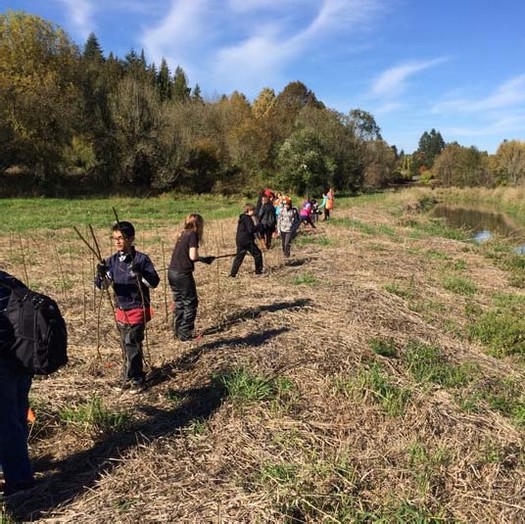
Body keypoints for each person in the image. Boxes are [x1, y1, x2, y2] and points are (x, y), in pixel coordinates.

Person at [95, 221, 160, 393]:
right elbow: (103, 286)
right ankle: (132, 374)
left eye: (121, 238)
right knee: (126, 345)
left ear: (131, 239)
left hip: (138, 307)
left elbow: (154, 283)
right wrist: (101, 274)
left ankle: (134, 378)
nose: (117, 242)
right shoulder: (112, 261)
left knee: (132, 343)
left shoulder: (141, 259)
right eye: (114, 238)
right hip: (121, 309)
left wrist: (141, 272)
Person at [0, 270, 35, 496]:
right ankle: (19, 468)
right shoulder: (8, 280)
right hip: (23, 358)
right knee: (17, 414)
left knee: (5, 421)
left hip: (3, 363)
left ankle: (20, 480)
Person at [168, 214, 214, 342]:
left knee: (179, 302)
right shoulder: (192, 235)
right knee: (190, 302)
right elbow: (193, 256)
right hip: (183, 274)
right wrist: (204, 259)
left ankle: (177, 330)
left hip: (172, 272)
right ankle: (185, 333)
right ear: (199, 225)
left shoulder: (182, 234)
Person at [229, 204, 264, 277]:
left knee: (239, 257)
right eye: (253, 210)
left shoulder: (242, 218)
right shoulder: (248, 218)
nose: (254, 212)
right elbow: (250, 230)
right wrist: (259, 226)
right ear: (248, 210)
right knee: (257, 254)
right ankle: (258, 271)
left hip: (240, 240)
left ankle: (233, 274)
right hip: (247, 240)